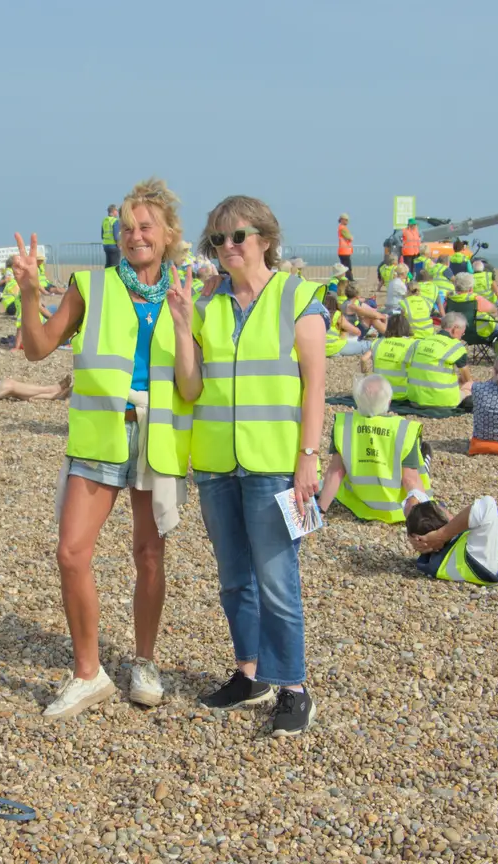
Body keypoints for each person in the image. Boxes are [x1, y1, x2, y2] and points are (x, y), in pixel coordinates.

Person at [13, 179, 194, 718]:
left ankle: (145, 660)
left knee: (149, 554)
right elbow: (39, 349)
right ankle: (88, 673)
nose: (135, 235)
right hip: (101, 433)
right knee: (71, 552)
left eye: (146, 227)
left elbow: (191, 386)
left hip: (157, 435)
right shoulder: (89, 285)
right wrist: (29, 292)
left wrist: (185, 326)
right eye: (127, 228)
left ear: (167, 236)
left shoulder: (187, 295)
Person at [176, 195, 325, 738]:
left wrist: (308, 458)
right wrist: (181, 324)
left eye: (238, 236)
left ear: (264, 238)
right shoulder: (209, 303)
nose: (228, 247)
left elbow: (316, 388)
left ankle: (293, 686)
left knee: (277, 578)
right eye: (218, 240)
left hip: (272, 463)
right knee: (234, 577)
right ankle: (250, 672)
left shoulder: (296, 297)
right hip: (216, 461)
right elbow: (191, 387)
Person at [317, 374, 430, 522]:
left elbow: (336, 472)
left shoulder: (345, 425)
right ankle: (426, 459)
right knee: (419, 460)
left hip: (358, 504)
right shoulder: (403, 429)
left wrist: (320, 511)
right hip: (395, 510)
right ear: (389, 402)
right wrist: (423, 518)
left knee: (320, 481)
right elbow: (410, 480)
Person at [406, 312, 470, 410]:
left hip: (415, 400)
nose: (462, 336)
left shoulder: (422, 342)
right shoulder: (456, 347)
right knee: (470, 387)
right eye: (462, 333)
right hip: (442, 402)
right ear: (455, 328)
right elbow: (467, 379)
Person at [370, 312, 416, 395]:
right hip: (402, 394)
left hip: (380, 393)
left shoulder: (379, 342)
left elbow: (363, 359)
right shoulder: (412, 344)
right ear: (406, 327)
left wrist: (366, 377)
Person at [323, 291, 374, 366]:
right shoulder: (337, 315)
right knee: (368, 345)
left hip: (321, 349)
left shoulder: (316, 315)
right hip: (335, 347)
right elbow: (356, 331)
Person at [102, 203, 120, 268]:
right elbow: (116, 236)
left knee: (108, 264)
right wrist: (119, 245)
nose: (117, 212)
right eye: (116, 211)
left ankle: (106, 277)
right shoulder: (115, 221)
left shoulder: (104, 220)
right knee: (115, 265)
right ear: (113, 211)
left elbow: (102, 234)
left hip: (106, 245)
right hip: (114, 246)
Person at [335, 213, 354, 278]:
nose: (347, 221)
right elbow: (350, 238)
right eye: (346, 220)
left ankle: (347, 281)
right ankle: (350, 281)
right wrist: (351, 238)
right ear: (342, 220)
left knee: (345, 268)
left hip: (344, 251)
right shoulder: (342, 228)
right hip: (344, 251)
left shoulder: (341, 227)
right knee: (347, 268)